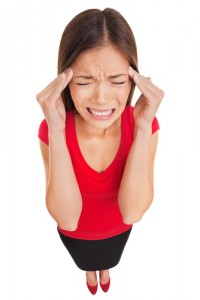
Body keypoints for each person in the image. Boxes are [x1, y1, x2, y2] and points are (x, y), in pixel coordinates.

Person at [36, 8, 164, 295]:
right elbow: (67, 218)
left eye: (117, 81)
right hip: (75, 237)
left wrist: (142, 129)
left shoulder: (144, 124)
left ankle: (103, 269)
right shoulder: (52, 129)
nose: (102, 98)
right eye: (84, 82)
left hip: (118, 233)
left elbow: (132, 212)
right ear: (65, 81)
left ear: (133, 79)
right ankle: (90, 274)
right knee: (86, 264)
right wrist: (57, 131)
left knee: (107, 261)